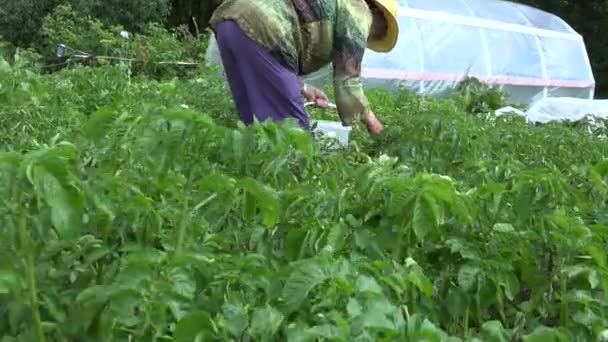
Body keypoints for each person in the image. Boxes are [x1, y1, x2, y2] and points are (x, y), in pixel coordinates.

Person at [209, 0, 399, 135]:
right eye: (381, 30)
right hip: (266, 28)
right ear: (378, 13)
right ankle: (290, 188)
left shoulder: (338, 5)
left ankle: (250, 179)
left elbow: (268, 66)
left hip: (231, 21)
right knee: (292, 135)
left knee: (253, 124)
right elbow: (347, 79)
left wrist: (303, 88)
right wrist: (372, 122)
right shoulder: (359, 11)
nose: (372, 36)